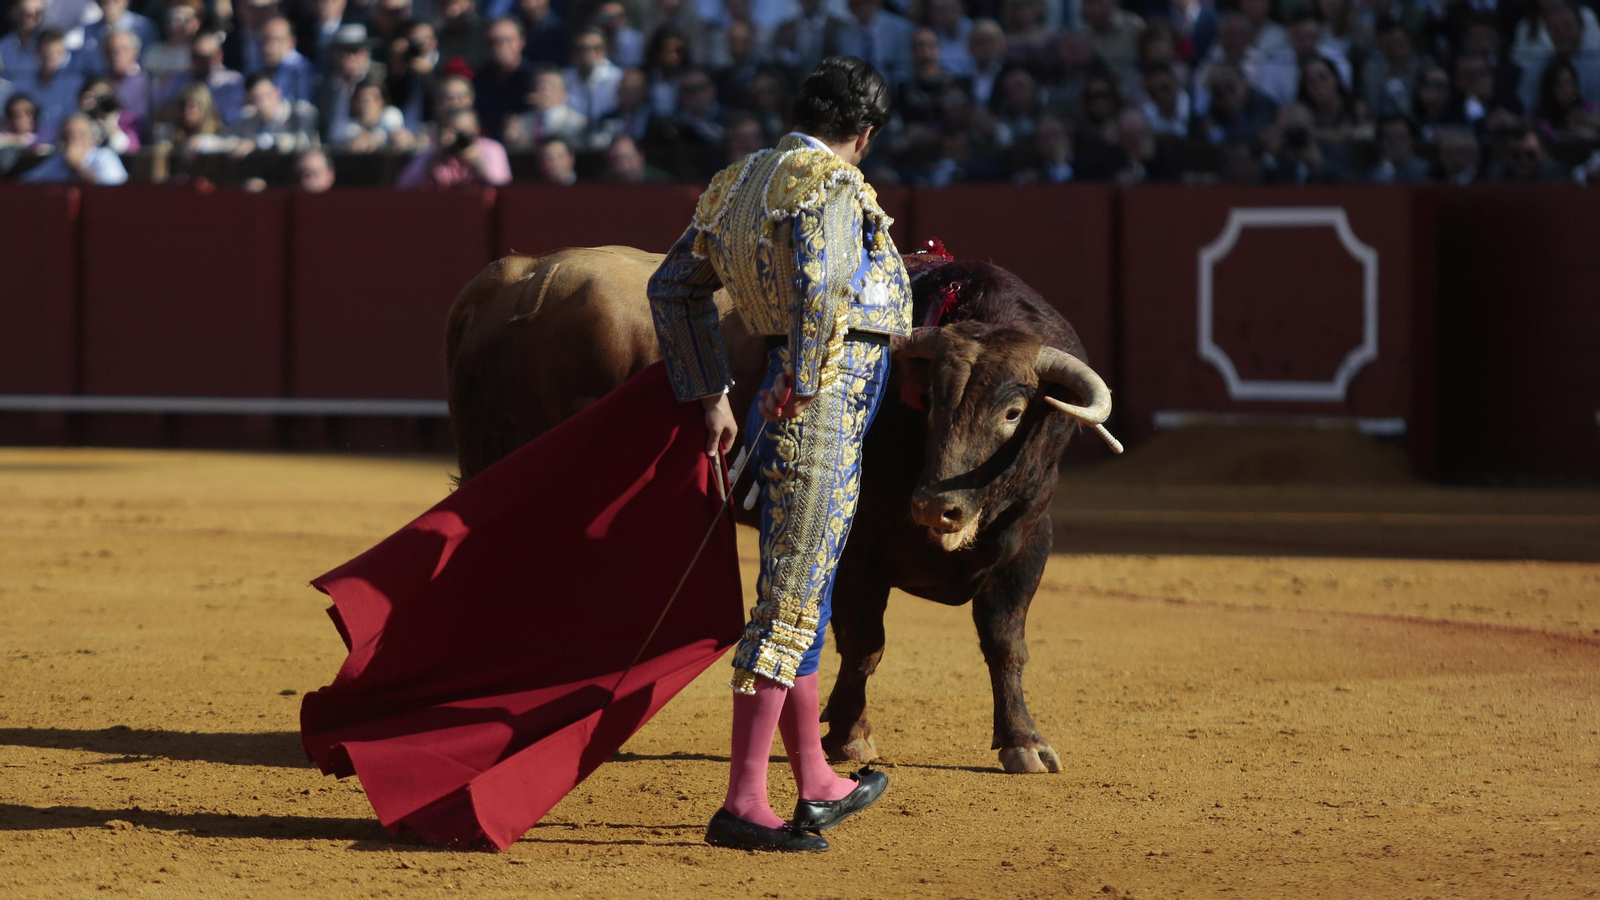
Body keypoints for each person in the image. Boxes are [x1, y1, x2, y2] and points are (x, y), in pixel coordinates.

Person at [645, 55, 901, 853]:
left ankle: (816, 778)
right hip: (821, 408)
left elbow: (672, 287)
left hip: (789, 396)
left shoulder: (737, 182)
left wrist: (712, 393)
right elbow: (822, 289)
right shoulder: (832, 183)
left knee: (804, 596)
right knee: (790, 601)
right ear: (864, 134)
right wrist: (806, 377)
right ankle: (743, 803)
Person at [396, 107, 511, 187]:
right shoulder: (434, 152)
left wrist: (475, 160)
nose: (458, 139)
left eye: (463, 133)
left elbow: (502, 183)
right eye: (453, 132)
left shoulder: (492, 149)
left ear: (476, 130)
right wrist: (435, 157)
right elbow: (404, 185)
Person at [21, 110, 128, 183]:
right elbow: (30, 184)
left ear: (93, 138)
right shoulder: (58, 159)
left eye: (81, 134)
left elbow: (112, 192)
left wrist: (78, 166)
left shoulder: (105, 157)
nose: (74, 139)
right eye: (68, 135)